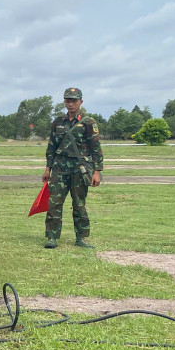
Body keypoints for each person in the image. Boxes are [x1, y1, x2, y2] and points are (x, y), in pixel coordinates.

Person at [43, 87, 103, 249]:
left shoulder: (88, 122)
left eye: (74, 101)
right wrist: (48, 169)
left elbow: (96, 147)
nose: (70, 104)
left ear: (81, 102)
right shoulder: (58, 122)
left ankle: (81, 238)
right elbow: (51, 147)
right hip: (59, 168)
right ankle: (52, 237)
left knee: (79, 203)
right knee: (54, 203)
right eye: (67, 100)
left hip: (80, 168)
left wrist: (97, 171)